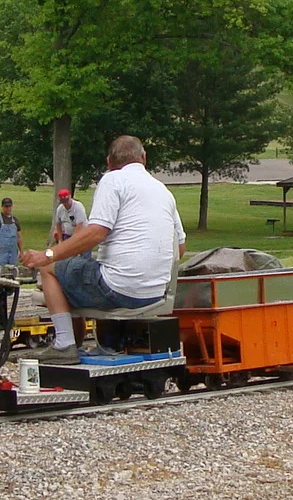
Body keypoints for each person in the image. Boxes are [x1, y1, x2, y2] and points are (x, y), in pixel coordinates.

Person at [20, 135, 185, 363]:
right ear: (144, 158)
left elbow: (96, 232)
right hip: (155, 293)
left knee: (49, 269)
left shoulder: (112, 180)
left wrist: (47, 255)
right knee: (97, 270)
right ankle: (109, 344)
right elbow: (180, 246)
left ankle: (64, 344)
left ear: (109, 162)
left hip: (120, 289)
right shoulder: (163, 191)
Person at [0, 196, 22, 272]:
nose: (8, 208)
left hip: (12, 252)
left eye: (9, 206)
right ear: (2, 207)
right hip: (0, 252)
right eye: (6, 206)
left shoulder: (15, 220)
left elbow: (19, 237)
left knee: (13, 272)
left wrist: (21, 251)